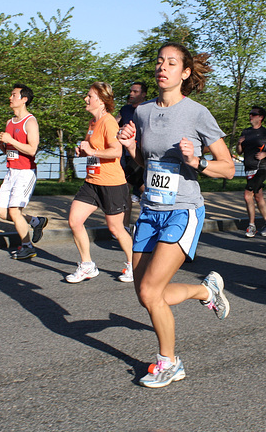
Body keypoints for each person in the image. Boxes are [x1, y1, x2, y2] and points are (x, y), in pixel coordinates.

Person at [118, 42, 235, 388]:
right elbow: (147, 162)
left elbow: (228, 168)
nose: (162, 67)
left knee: (153, 292)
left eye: (171, 63)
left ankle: (169, 363)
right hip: (150, 210)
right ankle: (204, 291)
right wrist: (130, 149)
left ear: (184, 73)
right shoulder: (142, 112)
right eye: (159, 62)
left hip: (182, 211)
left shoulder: (197, 113)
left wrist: (197, 162)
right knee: (145, 295)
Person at [66, 82, 134, 283]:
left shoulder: (108, 122)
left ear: (102, 101)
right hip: (92, 182)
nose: (86, 99)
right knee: (74, 220)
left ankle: (133, 265)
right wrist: (84, 152)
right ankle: (87, 265)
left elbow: (116, 151)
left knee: (116, 229)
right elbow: (93, 149)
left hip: (111, 183)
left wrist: (92, 151)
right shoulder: (92, 123)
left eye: (90, 96)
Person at [0, 83, 48, 260]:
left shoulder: (30, 121)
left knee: (15, 211)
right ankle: (35, 221)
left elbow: (32, 150)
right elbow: (13, 152)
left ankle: (27, 247)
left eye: (14, 95)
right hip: (11, 172)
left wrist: (10, 139)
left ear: (24, 99)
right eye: (11, 95)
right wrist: (2, 146)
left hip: (25, 172)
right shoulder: (10, 122)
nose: (10, 98)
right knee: (2, 212)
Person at [236, 106, 266, 237]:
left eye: (254, 114)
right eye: (250, 113)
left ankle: (251, 226)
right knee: (258, 196)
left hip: (262, 168)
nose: (250, 116)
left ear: (261, 117)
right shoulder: (245, 132)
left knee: (247, 195)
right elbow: (239, 151)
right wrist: (239, 144)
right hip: (249, 169)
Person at [117, 82, 148, 227]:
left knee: (125, 187)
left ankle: (124, 226)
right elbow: (113, 125)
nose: (131, 94)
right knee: (145, 189)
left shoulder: (148, 109)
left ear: (143, 94)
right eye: (131, 91)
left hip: (140, 153)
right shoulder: (124, 109)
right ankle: (132, 224)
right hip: (125, 155)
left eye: (135, 92)